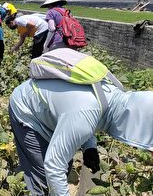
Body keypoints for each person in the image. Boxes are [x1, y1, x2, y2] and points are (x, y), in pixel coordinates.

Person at [9, 77, 153, 195]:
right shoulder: (87, 111)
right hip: (26, 109)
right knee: (42, 177)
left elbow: (87, 115)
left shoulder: (116, 94)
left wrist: (89, 146)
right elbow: (53, 166)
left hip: (50, 110)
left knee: (64, 165)